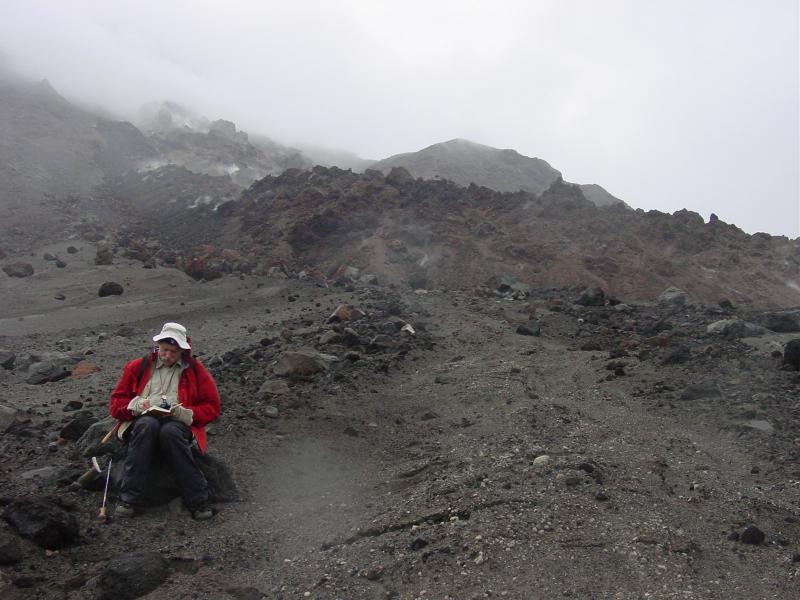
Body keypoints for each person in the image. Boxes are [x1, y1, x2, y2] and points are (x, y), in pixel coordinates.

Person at [108, 322, 221, 520]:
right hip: (142, 422)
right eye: (164, 350)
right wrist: (133, 406)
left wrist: (187, 414)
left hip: (177, 425)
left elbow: (212, 406)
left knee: (170, 432)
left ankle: (198, 500)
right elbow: (116, 403)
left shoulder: (195, 370)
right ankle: (128, 499)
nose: (167, 355)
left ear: (183, 351)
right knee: (147, 425)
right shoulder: (138, 366)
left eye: (173, 352)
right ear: (158, 345)